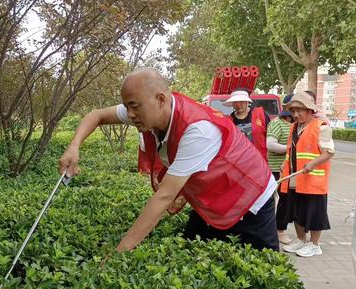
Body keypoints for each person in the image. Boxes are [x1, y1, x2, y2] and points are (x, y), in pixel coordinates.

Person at [59, 67, 279, 252]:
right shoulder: (147, 109)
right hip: (212, 196)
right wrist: (74, 147)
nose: (130, 114)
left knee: (261, 274)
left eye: (134, 106)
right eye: (127, 107)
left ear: (161, 99)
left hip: (251, 198)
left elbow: (164, 197)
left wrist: (118, 254)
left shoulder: (198, 130)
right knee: (192, 252)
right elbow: (96, 115)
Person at [281, 91, 335, 257]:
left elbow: (329, 152)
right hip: (294, 178)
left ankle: (314, 244)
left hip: (313, 181)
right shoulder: (294, 128)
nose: (296, 114)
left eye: (300, 110)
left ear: (309, 110)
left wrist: (312, 164)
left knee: (314, 213)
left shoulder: (322, 127)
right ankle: (301, 240)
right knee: (296, 212)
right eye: (293, 111)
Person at [266, 94, 293, 244]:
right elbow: (270, 144)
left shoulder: (296, 124)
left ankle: (280, 229)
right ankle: (278, 231)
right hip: (275, 169)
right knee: (272, 200)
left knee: (286, 201)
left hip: (290, 170)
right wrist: (290, 149)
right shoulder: (277, 123)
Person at [224, 88, 271, 158]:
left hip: (261, 160)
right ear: (232, 104)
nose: (238, 105)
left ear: (247, 102)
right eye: (235, 102)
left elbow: (271, 136)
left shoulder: (260, 114)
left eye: (241, 102)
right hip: (240, 162)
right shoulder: (229, 122)